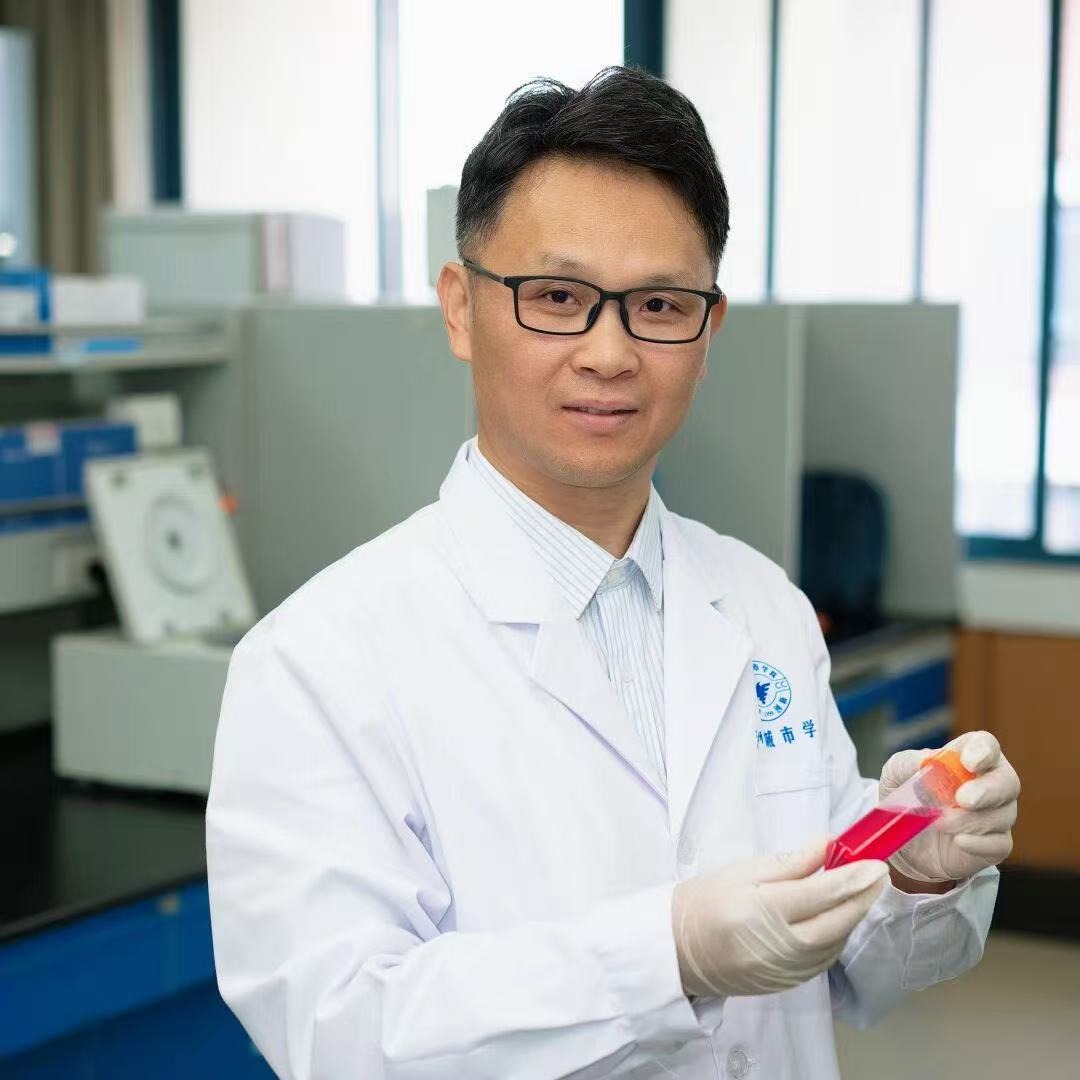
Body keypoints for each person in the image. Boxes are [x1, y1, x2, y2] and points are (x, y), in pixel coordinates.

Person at [206, 66, 1020, 1079]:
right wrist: (664, 958)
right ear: (460, 308)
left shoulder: (761, 603)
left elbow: (860, 973)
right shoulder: (317, 660)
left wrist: (912, 874)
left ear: (708, 333)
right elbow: (343, 1036)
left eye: (660, 305)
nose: (609, 352)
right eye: (557, 297)